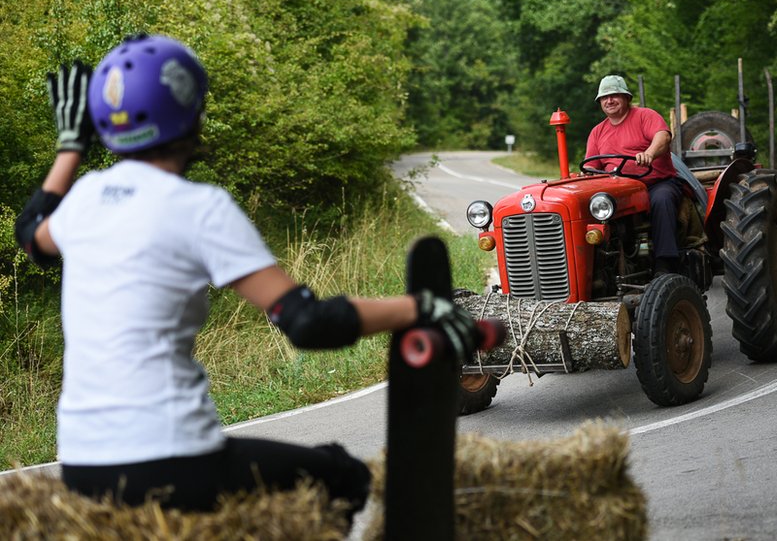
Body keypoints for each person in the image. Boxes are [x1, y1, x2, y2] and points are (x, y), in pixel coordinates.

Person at [14, 34, 478, 516]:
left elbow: (31, 235)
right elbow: (308, 323)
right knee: (343, 475)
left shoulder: (85, 200)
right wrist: (421, 306)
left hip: (83, 467)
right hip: (172, 462)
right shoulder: (199, 208)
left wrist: (70, 146)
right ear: (192, 112)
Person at [584, 74, 683, 277]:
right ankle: (593, 270)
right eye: (604, 97)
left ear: (626, 98)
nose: (609, 101)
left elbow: (662, 137)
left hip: (654, 184)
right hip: (618, 191)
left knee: (662, 199)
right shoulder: (597, 132)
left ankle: (665, 264)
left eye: (614, 95)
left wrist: (649, 153)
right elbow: (591, 167)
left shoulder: (645, 116)